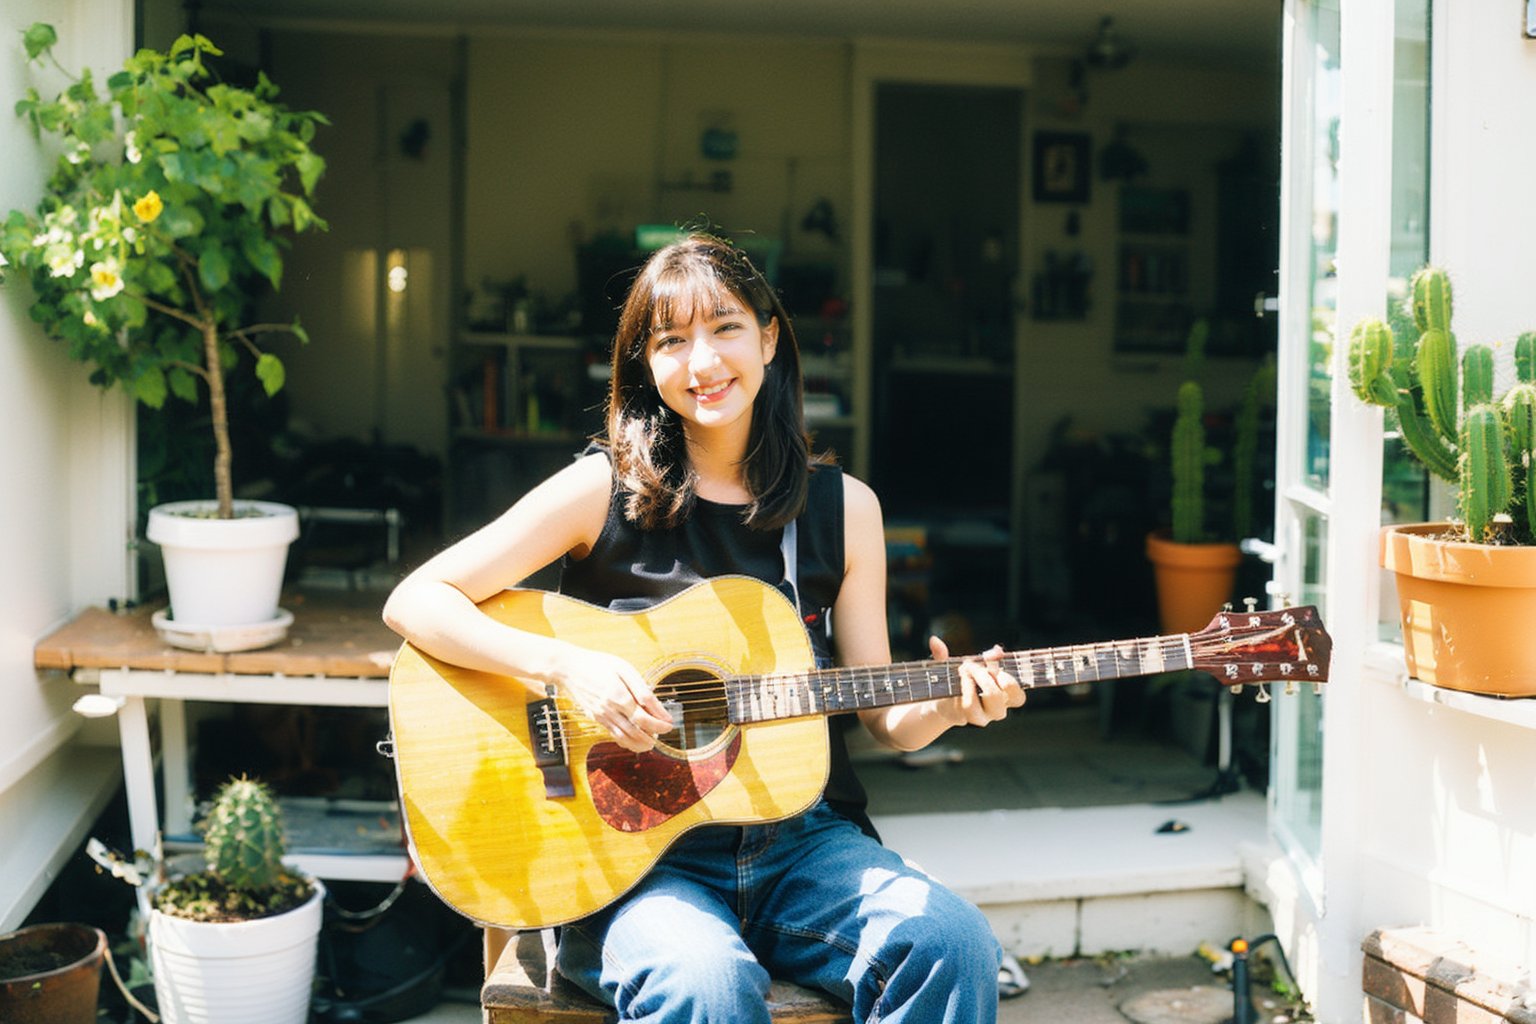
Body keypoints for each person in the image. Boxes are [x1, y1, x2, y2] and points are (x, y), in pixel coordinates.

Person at [383, 233, 1027, 1023]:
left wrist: (952, 704)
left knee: (953, 943)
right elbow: (418, 599)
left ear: (769, 336)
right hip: (638, 862)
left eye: (724, 327)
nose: (702, 361)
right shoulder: (600, 491)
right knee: (706, 983)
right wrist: (563, 665)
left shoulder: (844, 510)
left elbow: (884, 718)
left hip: (804, 846)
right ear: (645, 365)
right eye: (671, 340)